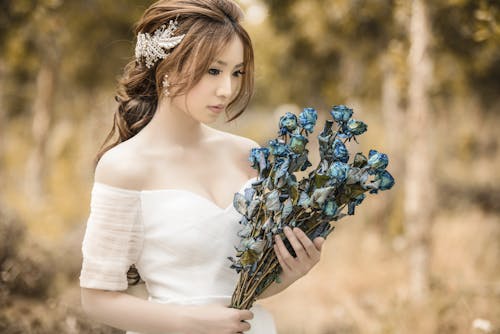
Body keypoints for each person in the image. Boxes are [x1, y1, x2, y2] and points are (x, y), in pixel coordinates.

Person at [79, 0, 325, 333]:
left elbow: (244, 285)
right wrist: (188, 321)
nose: (227, 89)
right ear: (166, 67)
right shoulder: (124, 166)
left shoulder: (247, 154)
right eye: (213, 70)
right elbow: (96, 298)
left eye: (236, 72)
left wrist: (290, 273)